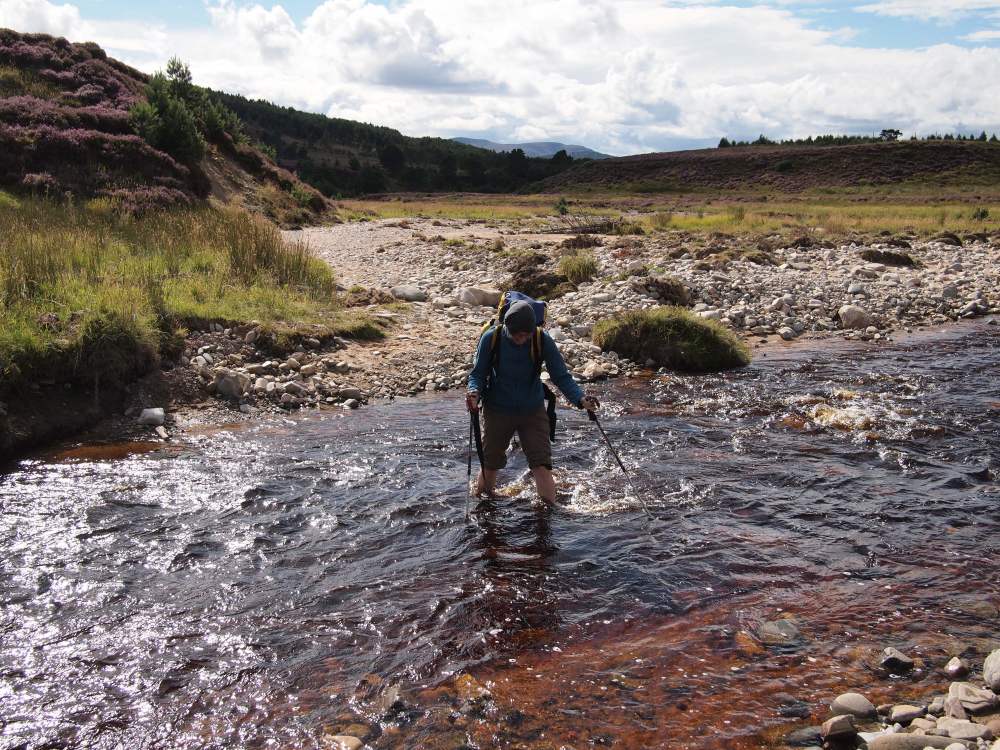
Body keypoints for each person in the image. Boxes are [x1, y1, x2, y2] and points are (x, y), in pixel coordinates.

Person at [466, 300, 599, 504]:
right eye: (517, 335)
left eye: (526, 335)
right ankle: (483, 506)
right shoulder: (491, 338)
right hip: (497, 409)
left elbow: (561, 376)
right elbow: (478, 374)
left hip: (532, 410)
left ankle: (549, 512)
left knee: (541, 464)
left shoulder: (541, 339)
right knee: (490, 464)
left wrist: (580, 399)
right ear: (507, 327)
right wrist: (473, 393)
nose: (522, 340)